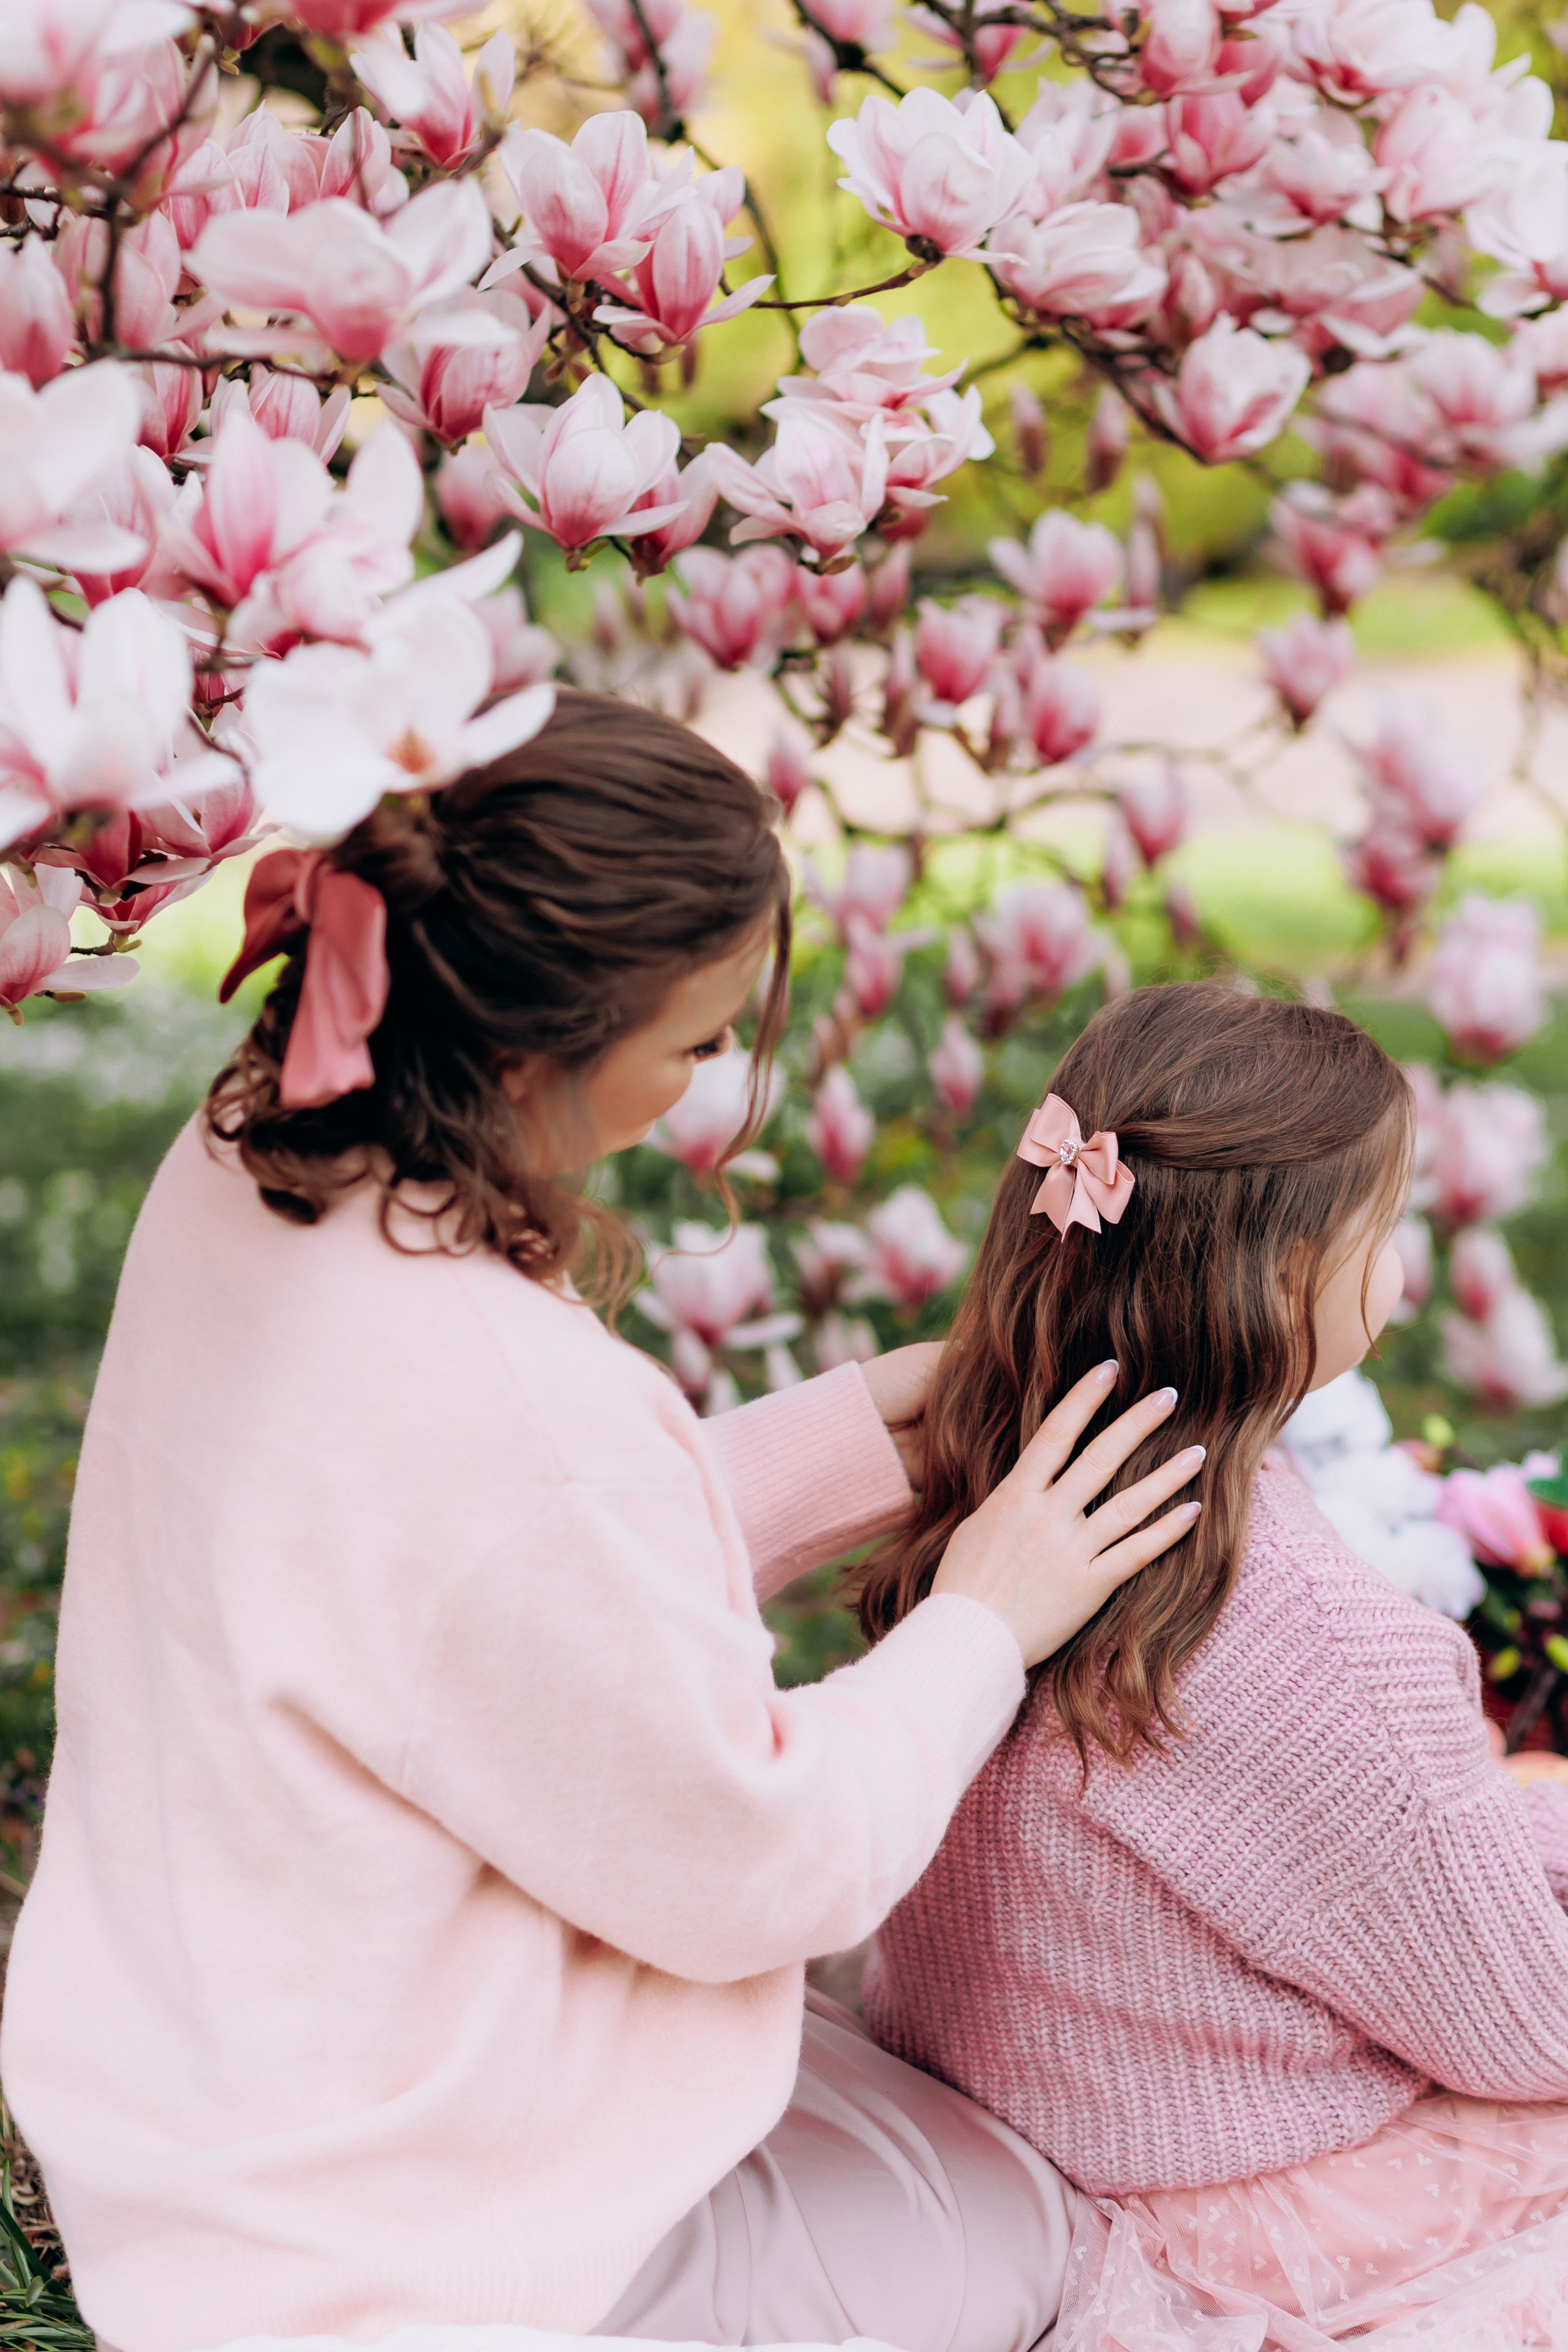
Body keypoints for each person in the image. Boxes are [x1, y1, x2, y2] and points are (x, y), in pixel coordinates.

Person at [0, 692, 1202, 2352]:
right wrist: (989, 1615)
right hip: (384, 2246)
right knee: (1046, 2230)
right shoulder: (510, 1400)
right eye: (699, 1040)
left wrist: (856, 1436)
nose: (712, 1085)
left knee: (872, 2113)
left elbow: (467, 1586)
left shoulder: (248, 1155)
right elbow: (761, 1864)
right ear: (530, 1048)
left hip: (208, 2079)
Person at [859, 979, 1568, 2351]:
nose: (1404, 1267)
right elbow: (1525, 2023)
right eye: (1391, 1228)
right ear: (1295, 1273)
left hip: (1040, 2096)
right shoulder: (1310, 1647)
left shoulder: (993, 1489)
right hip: (1248, 2211)